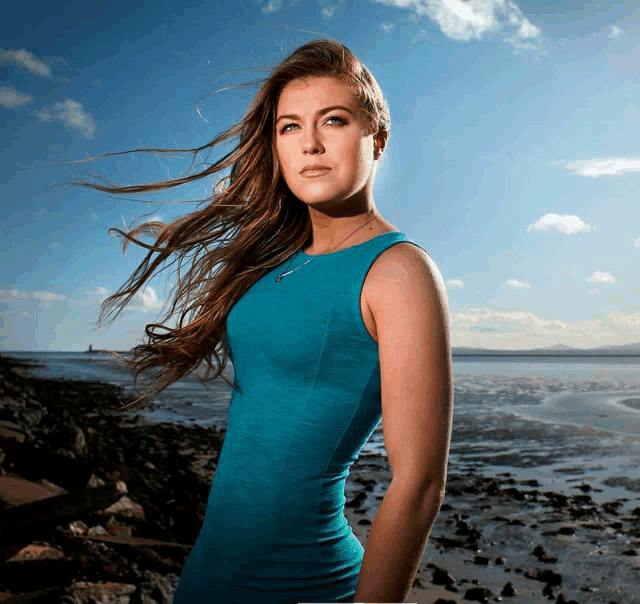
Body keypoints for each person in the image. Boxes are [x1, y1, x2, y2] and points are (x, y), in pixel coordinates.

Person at [75, 37, 453, 603]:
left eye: (334, 120)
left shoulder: (398, 271)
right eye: (290, 127)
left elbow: (420, 482)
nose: (312, 144)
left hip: (303, 583)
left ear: (377, 138)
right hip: (209, 575)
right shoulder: (277, 259)